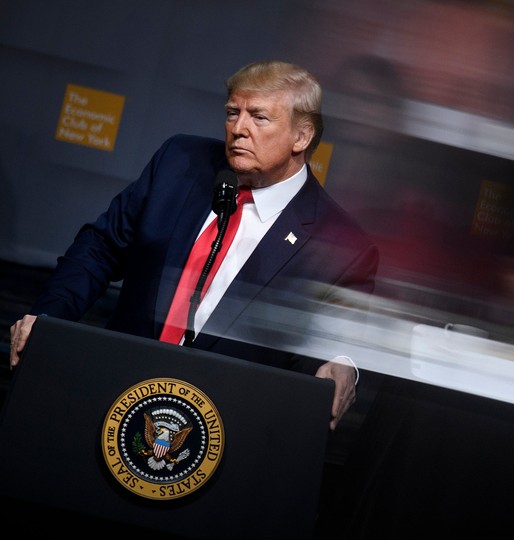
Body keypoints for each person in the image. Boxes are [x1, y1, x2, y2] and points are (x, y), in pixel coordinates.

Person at [7, 60, 379, 431]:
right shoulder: (180, 161)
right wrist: (48, 319)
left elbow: (332, 342)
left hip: (222, 427)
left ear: (301, 137)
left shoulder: (341, 246)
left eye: (259, 118)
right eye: (233, 112)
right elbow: (100, 247)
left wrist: (340, 362)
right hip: (111, 390)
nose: (238, 129)